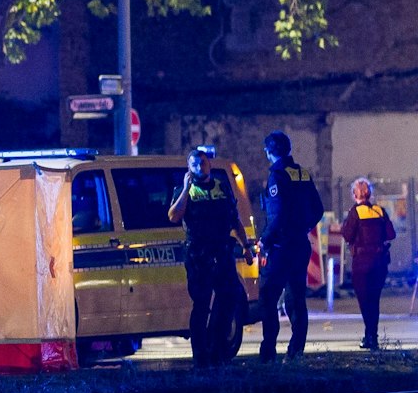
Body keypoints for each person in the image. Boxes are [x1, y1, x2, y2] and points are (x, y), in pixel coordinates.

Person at [167, 146, 247, 366]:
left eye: (202, 163)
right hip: (198, 255)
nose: (199, 167)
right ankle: (201, 357)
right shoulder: (185, 191)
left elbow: (234, 219)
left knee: (229, 298)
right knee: (201, 304)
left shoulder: (222, 187)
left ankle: (218, 350)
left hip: (222, 252)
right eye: (194, 164)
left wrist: (246, 245)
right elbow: (173, 216)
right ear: (188, 168)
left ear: (209, 164)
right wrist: (185, 189)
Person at [256, 131, 325, 362]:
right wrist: (303, 226)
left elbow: (278, 214)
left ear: (269, 152)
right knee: (296, 298)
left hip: (281, 246)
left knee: (267, 297)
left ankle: (268, 353)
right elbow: (318, 210)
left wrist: (265, 238)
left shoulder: (277, 175)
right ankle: (296, 352)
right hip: (299, 245)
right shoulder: (302, 173)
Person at [340, 177, 397, 351]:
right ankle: (372, 335)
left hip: (362, 264)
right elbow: (391, 234)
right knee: (374, 300)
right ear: (369, 194)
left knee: (365, 301)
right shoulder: (380, 211)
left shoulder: (355, 212)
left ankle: (370, 336)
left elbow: (347, 235)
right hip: (380, 263)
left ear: (354, 194)